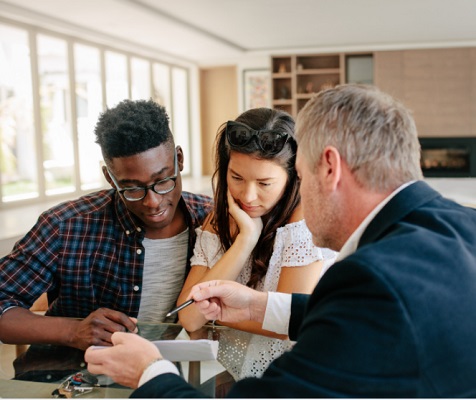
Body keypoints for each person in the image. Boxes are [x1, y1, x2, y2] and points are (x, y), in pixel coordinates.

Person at [85, 84, 476, 397]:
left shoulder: (375, 278)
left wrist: (149, 372)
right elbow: (356, 315)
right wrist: (258, 307)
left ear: (329, 168)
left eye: (300, 176)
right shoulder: (458, 225)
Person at [0, 99, 213, 351]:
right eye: (132, 188)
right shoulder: (65, 226)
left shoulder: (212, 220)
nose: (153, 202)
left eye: (163, 180)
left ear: (179, 159)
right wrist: (72, 331)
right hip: (74, 377)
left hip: (173, 377)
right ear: (109, 179)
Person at [175, 108, 336, 382]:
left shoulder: (305, 220)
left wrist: (216, 314)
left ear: (293, 177)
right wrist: (245, 239)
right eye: (236, 177)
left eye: (264, 183)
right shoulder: (222, 218)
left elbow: (286, 321)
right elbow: (189, 318)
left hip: (292, 380)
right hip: (231, 376)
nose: (248, 196)